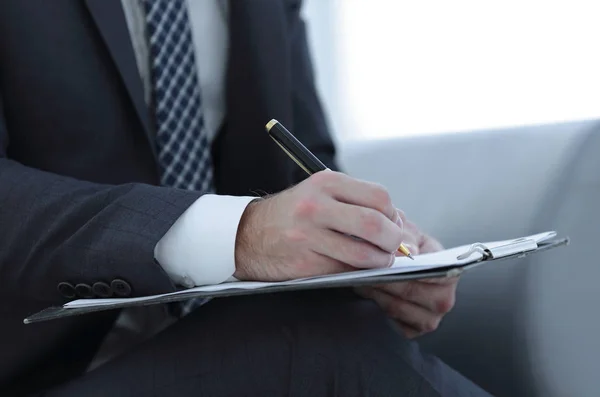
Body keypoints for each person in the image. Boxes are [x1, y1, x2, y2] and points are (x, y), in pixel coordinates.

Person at [0, 0, 492, 395]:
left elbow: (304, 160)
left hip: (221, 342)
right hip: (37, 366)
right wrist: (244, 234)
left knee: (338, 328)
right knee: (316, 347)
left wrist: (365, 253)